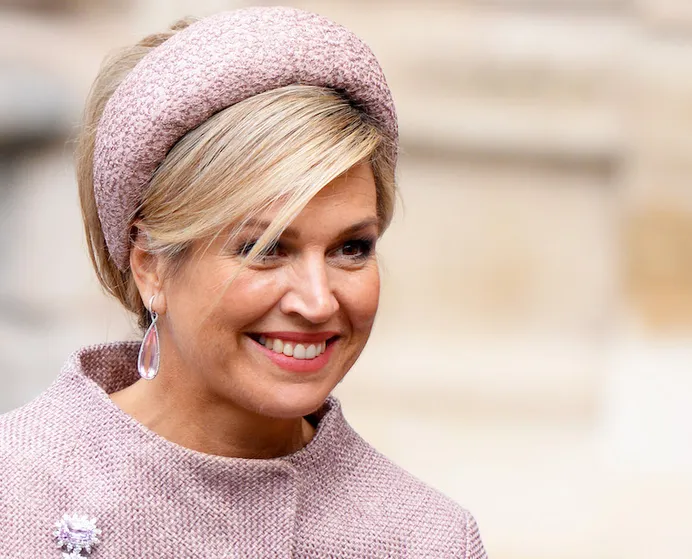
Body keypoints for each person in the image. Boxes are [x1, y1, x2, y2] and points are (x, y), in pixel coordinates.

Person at [0, 7, 486, 558]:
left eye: (351, 249)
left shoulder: (428, 539)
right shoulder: (17, 490)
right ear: (150, 265)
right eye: (264, 249)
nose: (317, 301)